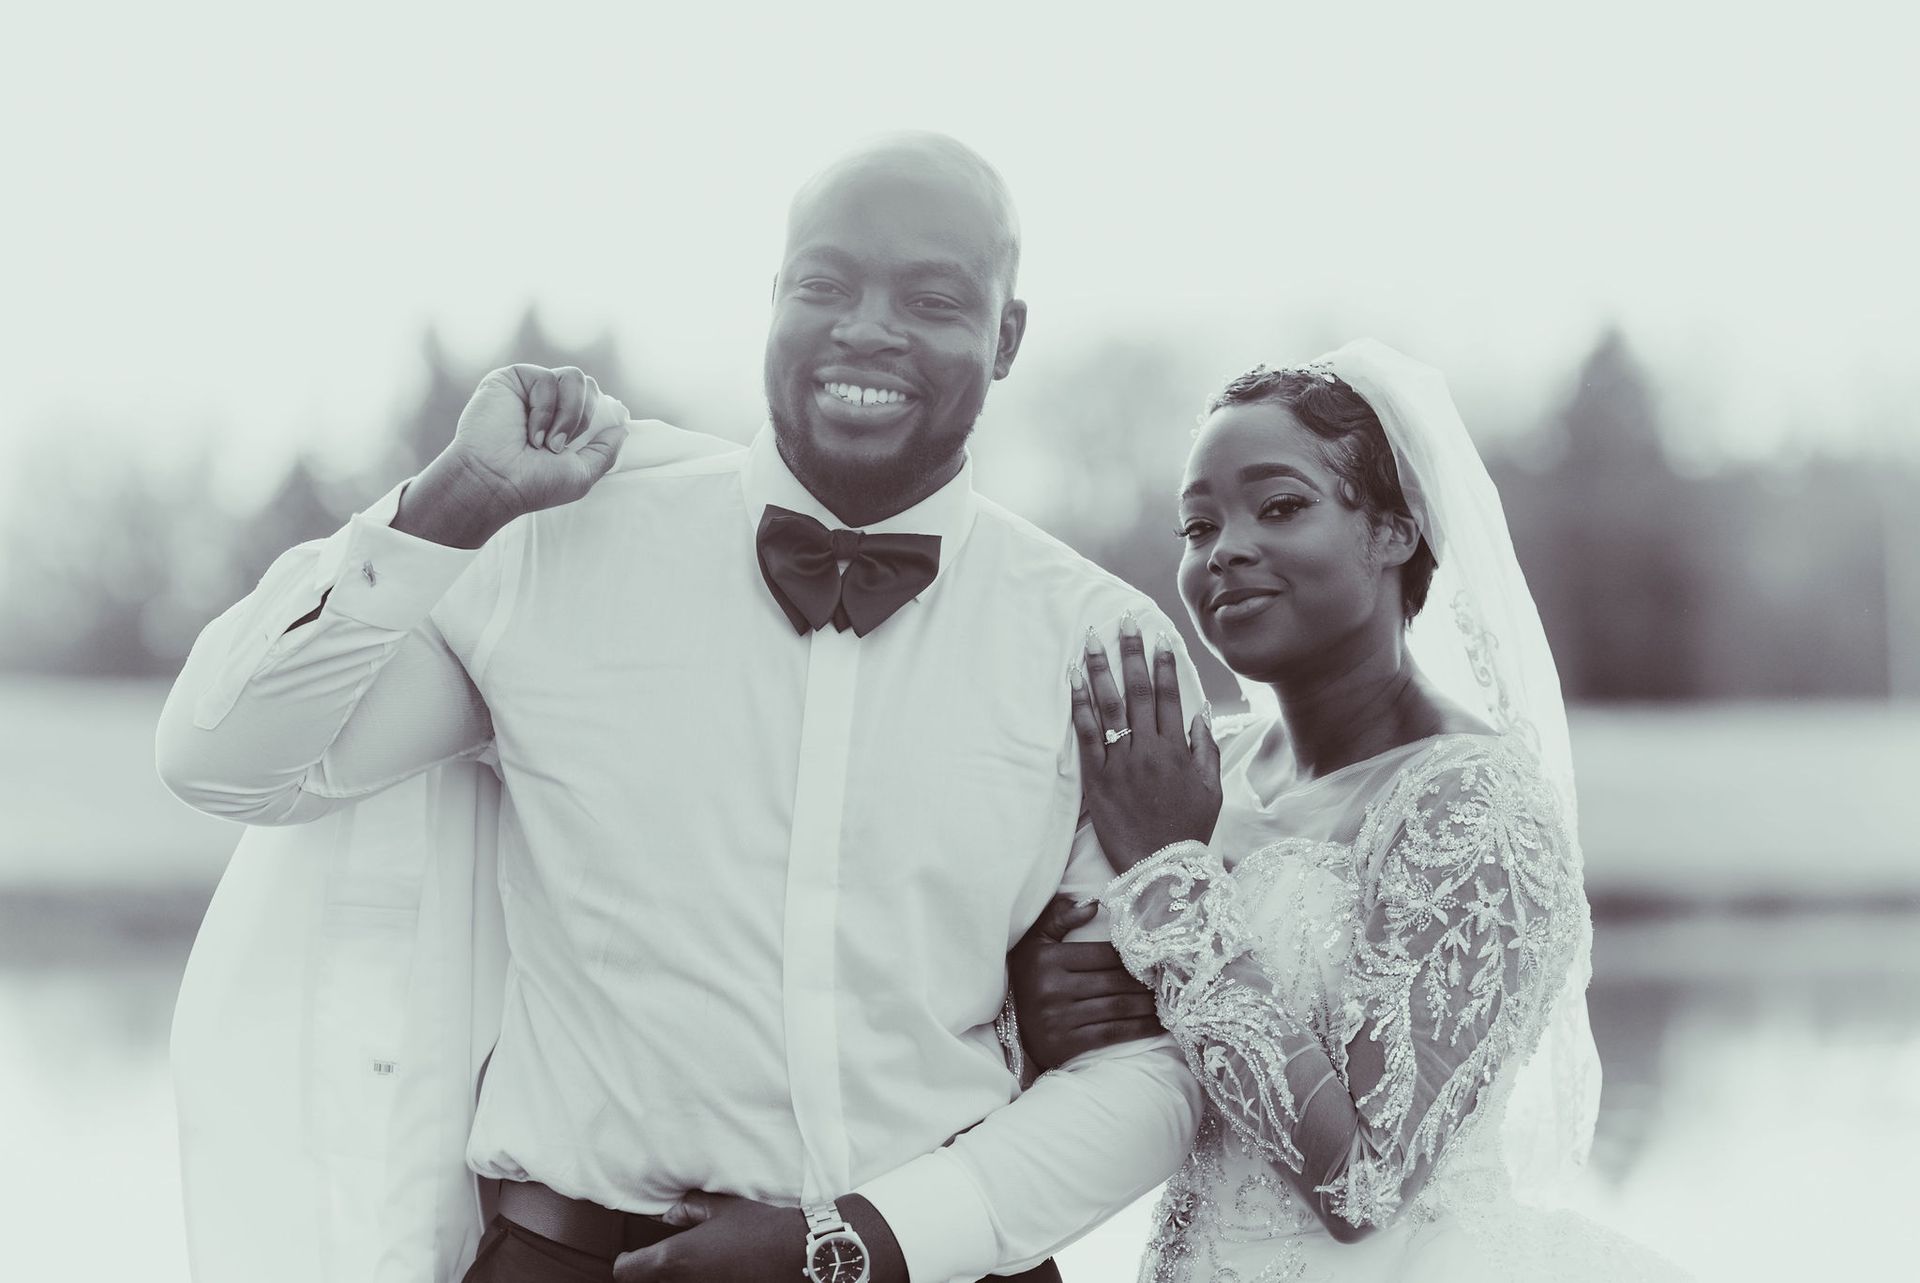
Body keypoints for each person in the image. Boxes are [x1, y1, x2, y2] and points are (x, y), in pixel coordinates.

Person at [156, 131, 1208, 1283]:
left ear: (1007, 335)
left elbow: (1149, 1073)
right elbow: (227, 760)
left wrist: (857, 1241)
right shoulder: (550, 544)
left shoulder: (1103, 644)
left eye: (933, 297)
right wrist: (451, 502)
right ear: (772, 299)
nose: (866, 326)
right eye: (824, 283)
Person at [1008, 340, 1689, 1280]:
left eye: (1279, 505)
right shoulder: (1201, 770)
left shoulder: (1472, 806)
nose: (1226, 550)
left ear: (1394, 530)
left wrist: (1169, 876)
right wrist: (1042, 1018)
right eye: (1196, 528)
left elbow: (1365, 1183)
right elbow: (1149, 1043)